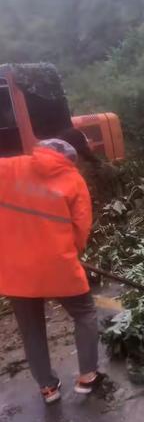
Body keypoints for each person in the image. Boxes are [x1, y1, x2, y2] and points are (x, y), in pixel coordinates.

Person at [0, 129, 104, 404]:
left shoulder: (8, 167)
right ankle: (87, 377)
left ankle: (48, 388)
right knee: (84, 313)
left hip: (15, 269)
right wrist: (72, 251)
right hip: (58, 265)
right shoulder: (73, 179)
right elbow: (81, 228)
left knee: (31, 329)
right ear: (69, 158)